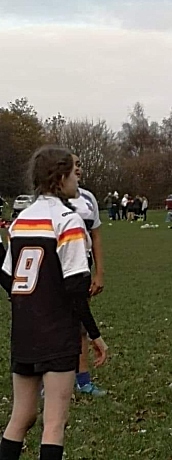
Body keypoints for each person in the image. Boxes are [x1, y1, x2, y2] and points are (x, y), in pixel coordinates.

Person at [0, 145, 108, 460]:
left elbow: (8, 276)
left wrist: (32, 299)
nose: (78, 177)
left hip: (24, 331)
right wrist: (95, 334)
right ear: (60, 177)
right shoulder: (68, 221)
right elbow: (76, 288)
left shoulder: (21, 220)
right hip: (57, 331)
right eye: (74, 172)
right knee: (54, 422)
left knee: (21, 417)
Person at [69, 154, 107, 397]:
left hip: (83, 266)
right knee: (54, 324)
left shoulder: (88, 198)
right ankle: (50, 380)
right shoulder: (45, 200)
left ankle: (82, 380)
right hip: (55, 269)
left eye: (79, 164)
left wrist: (99, 272)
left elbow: (95, 237)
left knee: (80, 322)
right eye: (73, 165)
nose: (78, 169)